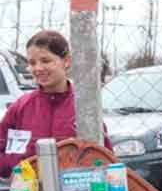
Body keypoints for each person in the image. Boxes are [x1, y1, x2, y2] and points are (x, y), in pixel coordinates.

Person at [0, 30, 112, 177]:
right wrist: (23, 164)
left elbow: (107, 159)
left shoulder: (84, 109)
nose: (38, 68)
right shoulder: (21, 107)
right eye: (32, 63)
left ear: (66, 61)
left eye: (46, 61)